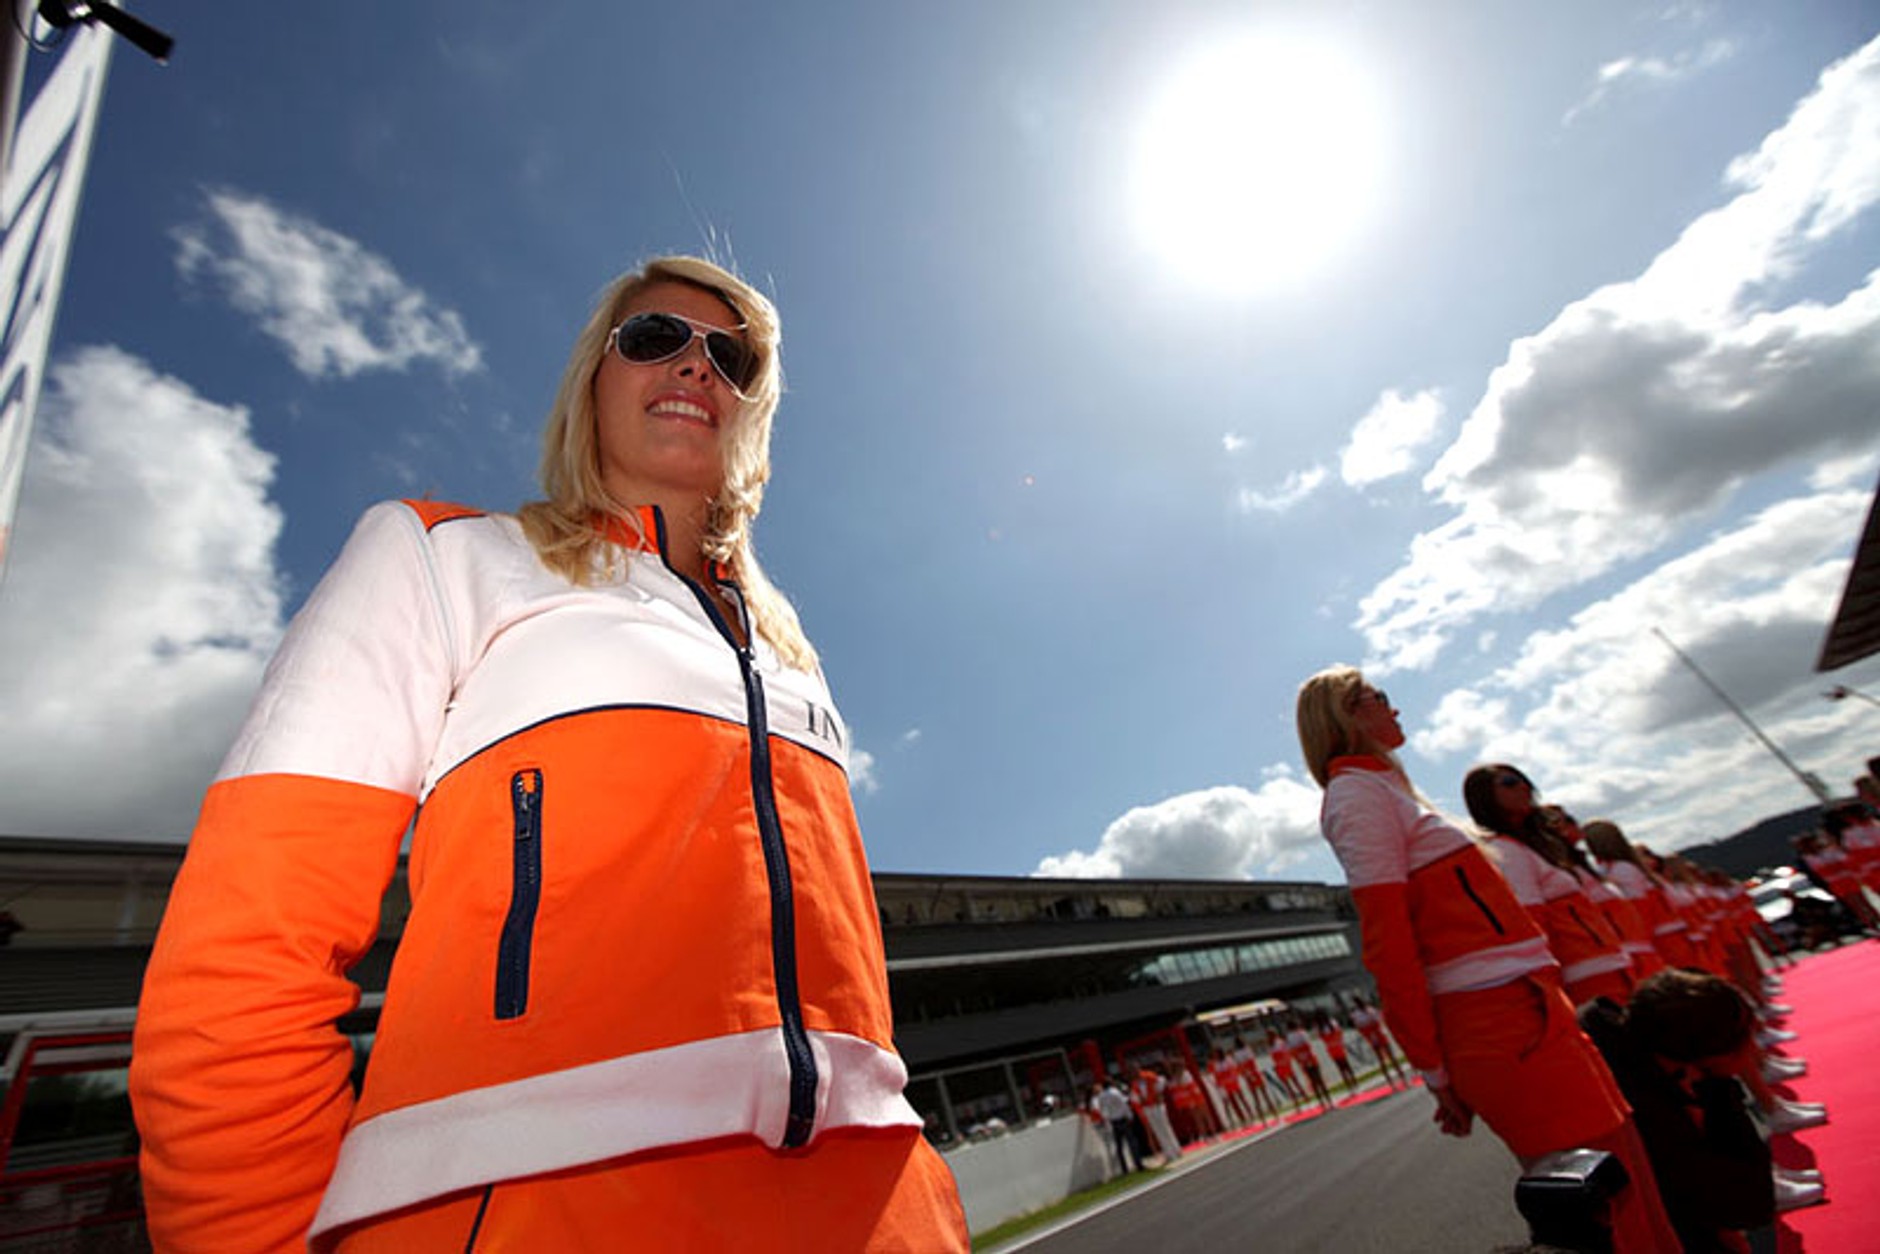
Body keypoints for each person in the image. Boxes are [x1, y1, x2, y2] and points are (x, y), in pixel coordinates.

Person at [128, 257, 969, 1252]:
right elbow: (242, 963)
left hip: (880, 1214)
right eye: (655, 337)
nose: (696, 364)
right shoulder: (440, 557)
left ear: (754, 414)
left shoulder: (790, 651)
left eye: (731, 357)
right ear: (592, 381)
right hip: (534, 1212)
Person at [1296, 666, 1678, 1253]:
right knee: (1599, 1200)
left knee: (1624, 1162)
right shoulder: (1354, 796)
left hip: (1533, 1006)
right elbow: (1387, 941)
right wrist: (1431, 1066)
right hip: (1497, 1024)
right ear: (1348, 713)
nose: (1395, 709)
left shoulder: (1386, 789)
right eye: (1381, 698)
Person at [1579, 969, 1818, 1252]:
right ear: (1704, 1058)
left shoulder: (1637, 1053)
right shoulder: (1645, 1103)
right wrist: (1720, 1086)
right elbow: (1749, 1205)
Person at [1462, 767, 1635, 1010]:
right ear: (1484, 797)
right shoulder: (1505, 850)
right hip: (1584, 979)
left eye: (1524, 781)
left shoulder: (1536, 847)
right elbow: (1532, 923)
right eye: (1510, 782)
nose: (1524, 787)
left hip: (1607, 965)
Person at [1091, 1081, 1140, 1175]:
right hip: (1122, 1119)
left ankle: (1124, 1168)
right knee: (1132, 1142)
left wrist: (1108, 1119)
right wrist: (1130, 1115)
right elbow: (1123, 1104)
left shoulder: (1101, 1097)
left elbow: (1102, 1109)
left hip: (1113, 1121)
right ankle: (1138, 1164)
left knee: (1119, 1146)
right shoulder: (1115, 1092)